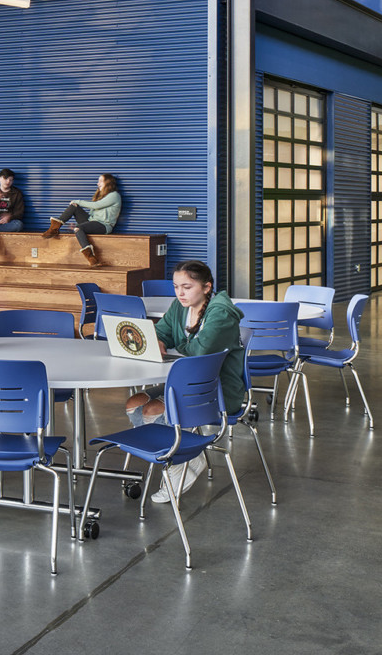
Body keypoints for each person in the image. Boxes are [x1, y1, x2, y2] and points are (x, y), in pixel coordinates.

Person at [123, 260, 244, 503]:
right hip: (186, 380)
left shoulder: (220, 313)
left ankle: (178, 467)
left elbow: (200, 351)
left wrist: (175, 344)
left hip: (217, 389)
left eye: (187, 287)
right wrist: (157, 340)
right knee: (134, 404)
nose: (180, 293)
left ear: (207, 287)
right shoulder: (180, 307)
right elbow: (162, 332)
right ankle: (187, 455)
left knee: (155, 409)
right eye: (176, 286)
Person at [41, 174, 122, 265]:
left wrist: (77, 201)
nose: (97, 183)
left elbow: (96, 205)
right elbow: (93, 212)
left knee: (79, 227)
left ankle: (91, 257)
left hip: (103, 225)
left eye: (100, 181)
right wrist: (76, 205)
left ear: (108, 183)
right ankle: (54, 229)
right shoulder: (101, 195)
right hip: (92, 221)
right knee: (74, 207)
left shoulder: (114, 195)